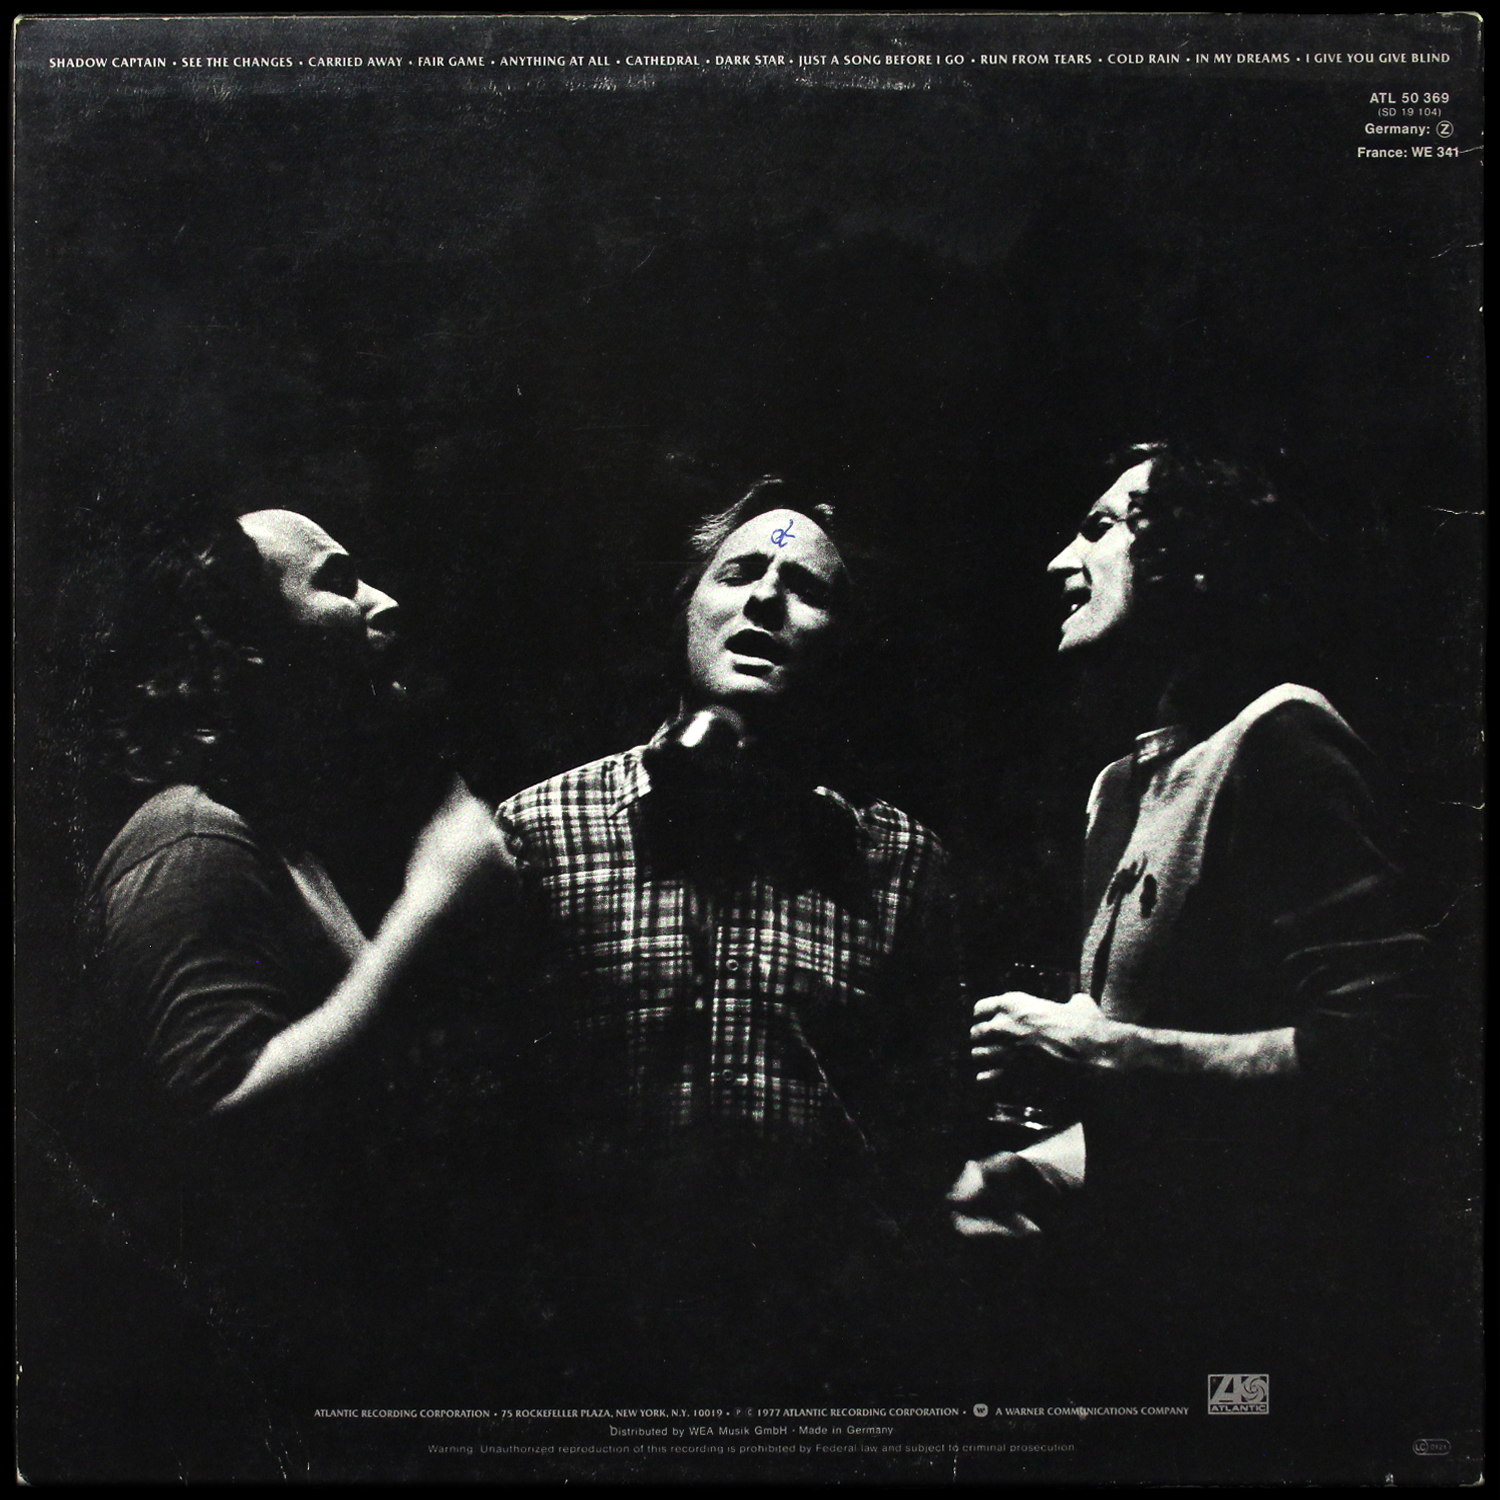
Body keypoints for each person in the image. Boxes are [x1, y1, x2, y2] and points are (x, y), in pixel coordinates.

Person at [947, 445, 1432, 1406]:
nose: (1058, 561)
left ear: (1193, 556)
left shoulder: (1282, 737)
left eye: (1099, 529)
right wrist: (1042, 1170)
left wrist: (1102, 1051)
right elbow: (1167, 1127)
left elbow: (1382, 1053)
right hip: (1136, 1317)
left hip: (1272, 1328)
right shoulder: (1116, 793)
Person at [490, 479, 964, 1394]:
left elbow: (927, 1134)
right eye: (740, 572)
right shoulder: (539, 830)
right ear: (685, 608)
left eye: (808, 589)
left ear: (846, 640)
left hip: (821, 1364)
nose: (767, 598)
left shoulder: (902, 863)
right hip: (583, 1359)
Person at [76, 509, 513, 1468]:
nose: (384, 602)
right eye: (338, 582)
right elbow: (220, 1111)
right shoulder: (189, 837)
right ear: (246, 643)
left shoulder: (272, 838)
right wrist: (432, 908)